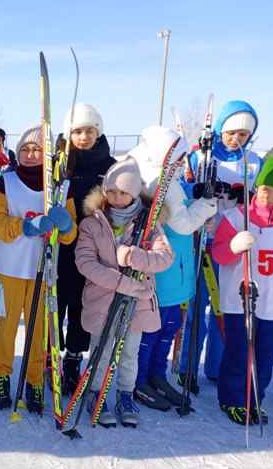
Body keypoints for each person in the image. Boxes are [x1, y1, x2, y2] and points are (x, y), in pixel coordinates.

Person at [75, 158, 173, 428]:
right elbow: (85, 263)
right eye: (112, 191)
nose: (117, 198)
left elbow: (165, 258)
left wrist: (135, 256)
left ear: (134, 192)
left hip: (136, 305)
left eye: (124, 191)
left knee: (129, 353)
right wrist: (122, 282)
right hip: (102, 301)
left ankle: (125, 395)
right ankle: (96, 394)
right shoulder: (93, 223)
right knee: (102, 350)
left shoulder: (148, 223)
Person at [128, 126, 218, 411]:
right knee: (154, 329)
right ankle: (139, 380)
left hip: (174, 268)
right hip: (165, 272)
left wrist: (196, 193)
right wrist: (208, 203)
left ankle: (156, 375)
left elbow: (179, 200)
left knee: (168, 327)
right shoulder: (160, 182)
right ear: (165, 156)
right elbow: (183, 222)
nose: (182, 163)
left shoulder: (169, 179)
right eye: (178, 158)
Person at [0, 125, 76, 411]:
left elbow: (70, 233)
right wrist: (25, 226)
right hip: (10, 268)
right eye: (24, 149)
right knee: (6, 327)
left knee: (39, 330)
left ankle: (35, 380)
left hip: (44, 271)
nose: (29, 154)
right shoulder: (6, 182)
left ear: (47, 154)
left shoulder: (61, 188)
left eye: (36, 149)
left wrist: (65, 225)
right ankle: (1, 375)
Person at [178, 101, 263, 390]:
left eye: (243, 134)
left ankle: (216, 366)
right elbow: (179, 187)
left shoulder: (253, 161)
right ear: (220, 129)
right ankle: (186, 366)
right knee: (196, 305)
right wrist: (196, 191)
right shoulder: (199, 156)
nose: (236, 139)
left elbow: (263, 198)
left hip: (234, 242)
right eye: (231, 133)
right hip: (202, 239)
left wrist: (246, 196)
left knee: (226, 308)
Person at [211, 155, 273, 425]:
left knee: (265, 359)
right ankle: (232, 399)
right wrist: (233, 247)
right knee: (240, 353)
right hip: (240, 300)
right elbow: (218, 254)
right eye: (265, 190)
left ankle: (254, 400)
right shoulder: (236, 217)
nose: (269, 197)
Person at [55, 103, 116, 395]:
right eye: (77, 131)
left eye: (89, 131)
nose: (84, 137)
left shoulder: (109, 165)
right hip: (61, 246)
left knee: (83, 305)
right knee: (56, 303)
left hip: (93, 248)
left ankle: (73, 359)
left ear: (98, 132)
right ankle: (50, 357)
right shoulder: (61, 162)